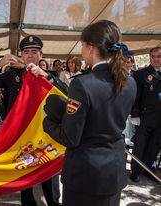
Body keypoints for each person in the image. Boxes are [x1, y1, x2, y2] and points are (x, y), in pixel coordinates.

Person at [43, 20, 137, 206]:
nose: (82, 51)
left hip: (86, 176)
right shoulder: (129, 81)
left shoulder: (82, 84)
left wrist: (47, 123)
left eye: (83, 46)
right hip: (113, 173)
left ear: (91, 47)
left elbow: (70, 138)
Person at [0, 35, 63, 206]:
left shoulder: (48, 75)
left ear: (40, 55)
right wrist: (1, 62)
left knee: (46, 170)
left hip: (44, 131)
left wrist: (45, 76)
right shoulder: (13, 74)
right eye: (26, 52)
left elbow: (66, 92)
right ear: (21, 55)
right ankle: (28, 202)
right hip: (21, 131)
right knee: (24, 168)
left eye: (34, 52)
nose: (29, 55)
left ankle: (52, 201)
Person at [130, 47, 161, 182]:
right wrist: (135, 114)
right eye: (153, 56)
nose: (155, 59)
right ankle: (135, 171)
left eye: (158, 56)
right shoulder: (141, 74)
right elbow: (135, 96)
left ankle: (148, 169)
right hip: (145, 117)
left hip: (160, 119)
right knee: (140, 146)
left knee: (154, 146)